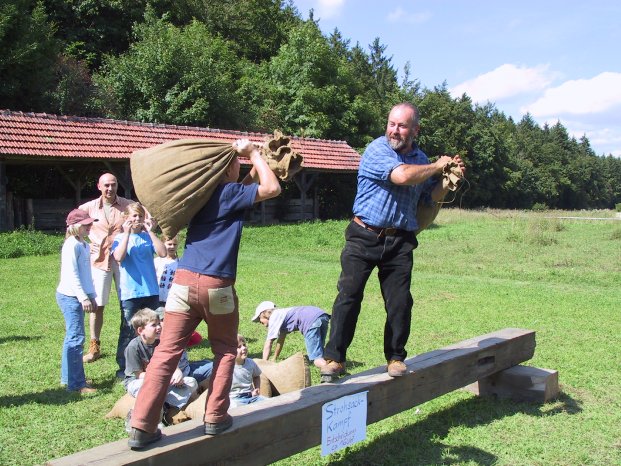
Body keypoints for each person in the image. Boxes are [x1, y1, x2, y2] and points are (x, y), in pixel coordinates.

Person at [127, 138, 281, 449]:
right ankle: (216, 417)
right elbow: (271, 189)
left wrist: (256, 159)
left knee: (166, 352)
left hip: (182, 283)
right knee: (225, 350)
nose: (240, 163)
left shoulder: (200, 195)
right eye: (235, 162)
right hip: (216, 287)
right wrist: (252, 153)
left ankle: (142, 426)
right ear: (227, 169)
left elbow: (247, 185)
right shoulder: (228, 192)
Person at [321, 102, 466, 379]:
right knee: (349, 296)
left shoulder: (421, 159)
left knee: (400, 302)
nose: (394, 131)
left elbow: (429, 198)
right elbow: (400, 176)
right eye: (391, 124)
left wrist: (448, 179)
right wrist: (437, 165)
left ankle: (396, 358)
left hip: (400, 241)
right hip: (364, 236)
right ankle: (335, 358)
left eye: (401, 126)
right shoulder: (377, 150)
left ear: (415, 130)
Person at [79, 173, 133, 363]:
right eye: (106, 186)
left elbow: (146, 219)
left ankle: (129, 345)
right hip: (99, 261)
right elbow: (73, 223)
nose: (110, 189)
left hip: (123, 260)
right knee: (97, 305)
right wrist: (85, 243)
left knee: (126, 303)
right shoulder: (89, 208)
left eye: (113, 185)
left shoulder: (127, 205)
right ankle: (94, 346)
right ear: (99, 186)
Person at [111, 202, 166, 378]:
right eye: (134, 216)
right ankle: (124, 368)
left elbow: (163, 253)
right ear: (126, 219)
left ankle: (154, 363)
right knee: (128, 330)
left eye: (140, 216)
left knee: (156, 329)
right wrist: (126, 233)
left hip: (150, 290)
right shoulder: (119, 238)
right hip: (130, 292)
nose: (137, 220)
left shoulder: (147, 237)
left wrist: (151, 231)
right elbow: (119, 257)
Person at [56, 209, 99, 394]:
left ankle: (69, 377)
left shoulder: (84, 244)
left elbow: (86, 274)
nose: (89, 226)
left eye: (90, 223)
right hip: (70, 297)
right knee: (76, 338)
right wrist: (83, 297)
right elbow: (72, 275)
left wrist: (91, 295)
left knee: (72, 337)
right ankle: (76, 384)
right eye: (86, 224)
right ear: (75, 226)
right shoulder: (71, 245)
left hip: (79, 295)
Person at [124, 309, 198, 413]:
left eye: (159, 324)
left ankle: (168, 407)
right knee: (149, 389)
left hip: (163, 379)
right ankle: (154, 410)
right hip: (140, 381)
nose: (159, 327)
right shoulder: (133, 347)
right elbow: (139, 375)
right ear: (140, 331)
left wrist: (176, 372)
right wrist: (164, 376)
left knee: (191, 382)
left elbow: (171, 362)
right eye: (154, 325)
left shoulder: (161, 342)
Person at [252, 301, 330, 368]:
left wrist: (263, 364)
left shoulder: (274, 317)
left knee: (316, 358)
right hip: (321, 315)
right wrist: (275, 357)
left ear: (263, 314)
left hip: (310, 321)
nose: (264, 325)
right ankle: (336, 364)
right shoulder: (282, 315)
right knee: (320, 351)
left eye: (261, 321)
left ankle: (329, 370)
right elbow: (281, 340)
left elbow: (269, 342)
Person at [229, 334, 265, 407]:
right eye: (239, 347)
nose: (244, 348)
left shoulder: (250, 363)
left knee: (269, 403)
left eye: (244, 345)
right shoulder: (228, 367)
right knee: (236, 409)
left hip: (251, 396)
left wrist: (257, 388)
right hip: (234, 399)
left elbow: (256, 376)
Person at [154, 235, 179, 310]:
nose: (172, 247)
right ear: (163, 244)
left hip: (173, 298)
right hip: (157, 298)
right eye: (169, 244)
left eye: (174, 244)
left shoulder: (180, 262)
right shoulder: (157, 261)